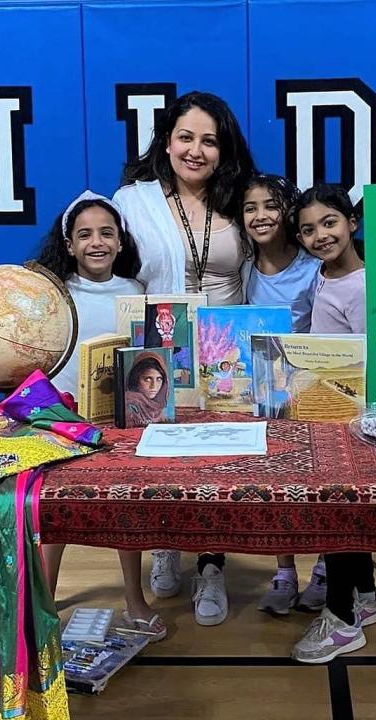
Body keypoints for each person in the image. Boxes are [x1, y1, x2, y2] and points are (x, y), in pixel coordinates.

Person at [113, 91, 256, 626]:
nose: (196, 151)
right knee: (162, 459)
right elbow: (114, 272)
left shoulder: (241, 197)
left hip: (230, 351)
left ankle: (212, 564)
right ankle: (165, 543)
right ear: (166, 142)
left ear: (225, 150)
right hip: (160, 347)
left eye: (210, 141)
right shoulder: (133, 201)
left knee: (220, 462)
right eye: (186, 137)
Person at [34, 193, 167, 641]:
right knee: (55, 514)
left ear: (120, 241)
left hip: (119, 420)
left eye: (106, 233)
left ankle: (135, 599)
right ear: (69, 244)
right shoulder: (53, 292)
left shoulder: (134, 292)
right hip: (63, 417)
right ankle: (44, 602)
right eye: (85, 234)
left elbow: (148, 356)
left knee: (123, 512)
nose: (97, 242)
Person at [287, 184, 376, 663]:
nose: (320, 235)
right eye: (308, 229)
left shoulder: (365, 285)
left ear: (352, 223)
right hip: (324, 410)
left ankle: (343, 620)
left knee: (339, 510)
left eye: (329, 223)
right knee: (343, 510)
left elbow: (367, 361)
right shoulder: (321, 276)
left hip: (349, 416)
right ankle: (364, 595)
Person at [241, 174, 326, 616]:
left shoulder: (314, 268)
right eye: (250, 207)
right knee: (277, 482)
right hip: (264, 392)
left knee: (319, 481)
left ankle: (327, 564)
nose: (260, 216)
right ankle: (285, 570)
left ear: (287, 212)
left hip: (312, 391)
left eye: (270, 206)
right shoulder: (242, 270)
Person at [124, 351, 171, 425]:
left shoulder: (158, 409)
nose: (154, 386)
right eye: (147, 379)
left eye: (159, 379)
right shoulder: (129, 404)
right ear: (135, 379)